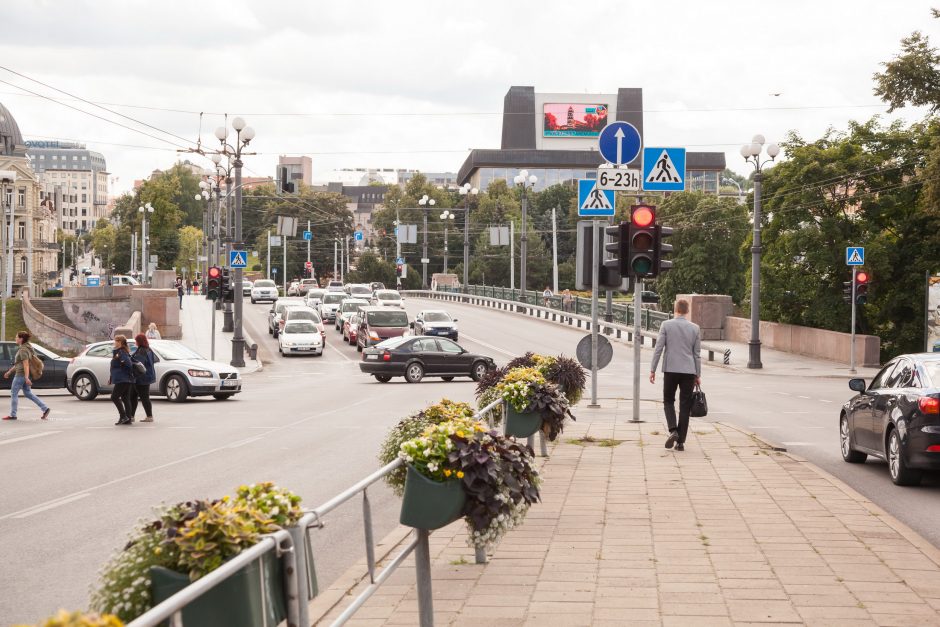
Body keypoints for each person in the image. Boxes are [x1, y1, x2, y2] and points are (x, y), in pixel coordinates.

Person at [649, 299, 701, 451]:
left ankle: (673, 431)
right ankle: (680, 443)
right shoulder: (695, 328)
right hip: (689, 371)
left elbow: (658, 348)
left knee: (668, 401)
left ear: (675, 309)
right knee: (685, 406)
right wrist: (697, 374)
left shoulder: (666, 325)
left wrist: (653, 369)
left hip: (671, 370)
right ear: (687, 311)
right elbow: (697, 354)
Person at [2, 331, 51, 421]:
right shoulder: (28, 347)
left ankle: (13, 415)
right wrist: (9, 372)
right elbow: (19, 363)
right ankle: (45, 408)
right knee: (28, 393)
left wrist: (26, 377)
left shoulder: (23, 350)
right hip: (25, 375)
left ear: (21, 339)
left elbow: (26, 364)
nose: (15, 338)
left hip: (21, 375)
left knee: (14, 393)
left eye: (16, 337)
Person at [110, 334, 136, 426]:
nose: (114, 342)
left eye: (116, 341)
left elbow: (128, 365)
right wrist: (111, 378)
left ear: (120, 342)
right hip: (126, 379)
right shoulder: (121, 351)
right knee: (125, 398)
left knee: (114, 397)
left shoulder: (121, 352)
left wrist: (123, 368)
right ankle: (127, 419)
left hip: (123, 379)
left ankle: (124, 416)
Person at [130, 333, 156, 423]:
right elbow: (154, 360)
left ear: (139, 341)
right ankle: (132, 416)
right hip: (146, 376)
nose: (135, 342)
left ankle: (149, 416)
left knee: (141, 397)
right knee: (135, 396)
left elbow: (138, 364)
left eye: (136, 341)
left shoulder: (141, 351)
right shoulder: (149, 349)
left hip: (141, 378)